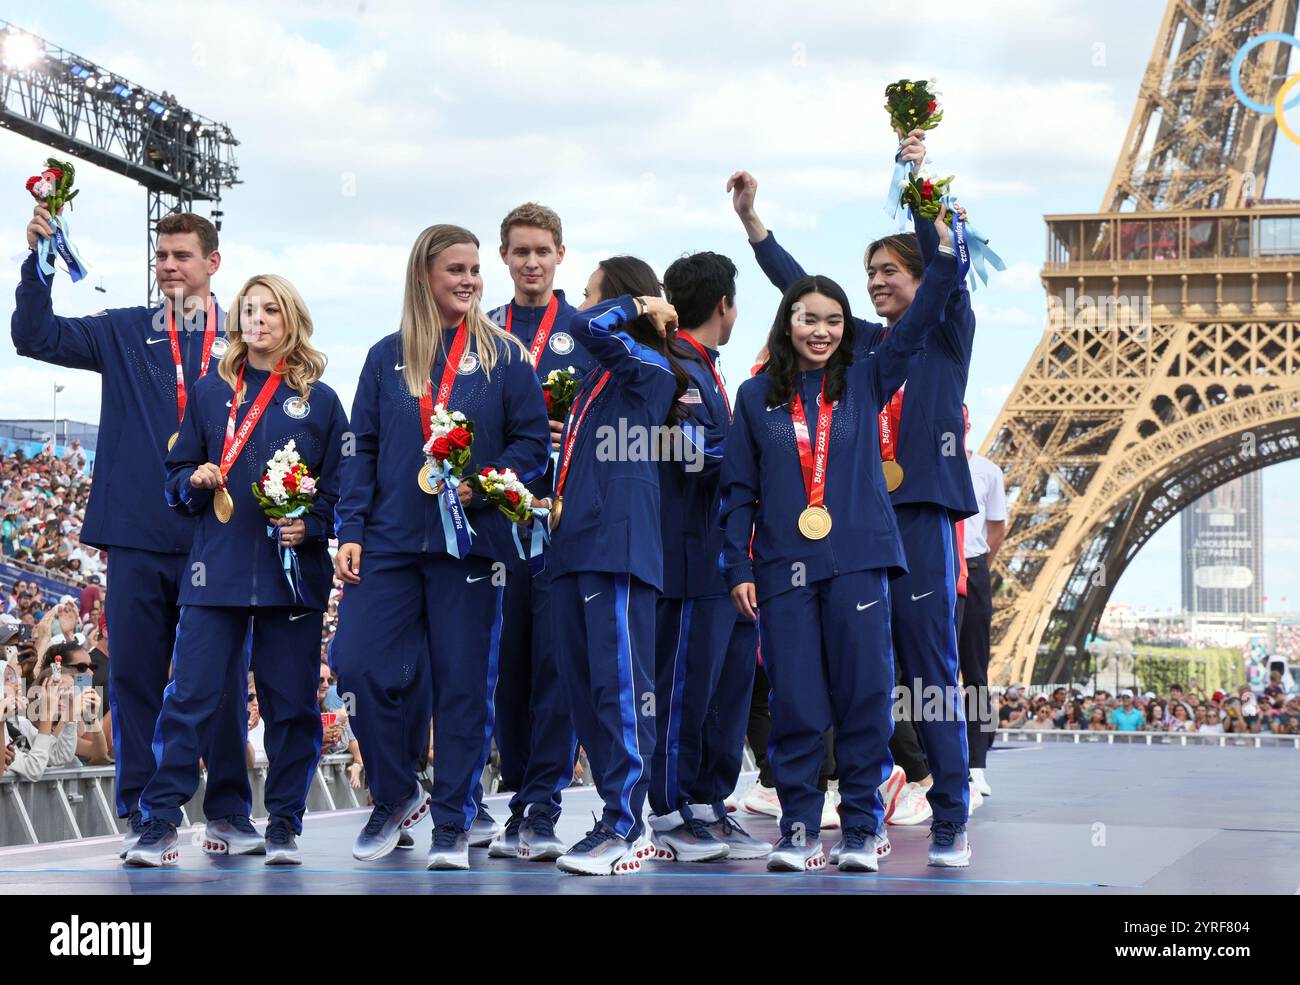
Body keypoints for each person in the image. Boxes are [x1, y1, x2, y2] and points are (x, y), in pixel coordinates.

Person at [729, 152, 979, 867]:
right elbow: (798, 293)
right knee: (843, 679)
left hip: (919, 519)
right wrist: (755, 226)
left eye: (888, 272)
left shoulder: (943, 328)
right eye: (868, 275)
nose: (876, 284)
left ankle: (950, 819)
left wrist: (921, 182)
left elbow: (946, 270)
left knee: (931, 676)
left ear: (919, 277)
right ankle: (828, 815)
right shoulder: (863, 346)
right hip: (850, 531)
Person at [12, 207, 252, 856]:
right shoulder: (124, 331)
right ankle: (150, 817)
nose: (169, 265)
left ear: (212, 263)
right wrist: (39, 264)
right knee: (138, 681)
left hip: (219, 539)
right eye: (162, 255)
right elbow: (34, 336)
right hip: (140, 538)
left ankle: (230, 810)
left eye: (182, 255)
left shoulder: (248, 340)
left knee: (225, 680)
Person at [332, 224, 549, 870]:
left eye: (476, 269)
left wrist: (479, 485)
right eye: (456, 268)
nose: (470, 279)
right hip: (391, 543)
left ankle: (452, 820)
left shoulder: (506, 357)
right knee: (357, 664)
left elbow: (532, 447)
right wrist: (349, 527)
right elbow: (360, 448)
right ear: (425, 274)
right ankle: (396, 795)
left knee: (462, 686)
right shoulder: (384, 357)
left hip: (472, 549)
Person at [126, 275, 346, 867]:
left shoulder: (321, 401)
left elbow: (344, 489)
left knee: (290, 705)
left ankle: (284, 826)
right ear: (236, 320)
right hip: (214, 573)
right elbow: (173, 480)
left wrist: (315, 525)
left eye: (270, 309)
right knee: (189, 698)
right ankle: (159, 824)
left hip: (291, 577)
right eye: (248, 310)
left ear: (291, 318)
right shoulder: (206, 392)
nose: (258, 319)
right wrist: (193, 482)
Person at [545, 256, 688, 875]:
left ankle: (627, 822)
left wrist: (639, 306)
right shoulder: (598, 380)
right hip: (574, 546)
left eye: (593, 291)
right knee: (584, 690)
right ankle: (612, 813)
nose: (581, 300)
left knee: (623, 690)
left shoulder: (649, 368)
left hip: (619, 548)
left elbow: (585, 324)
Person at [484, 203, 595, 860]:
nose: (531, 262)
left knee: (555, 668)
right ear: (505, 256)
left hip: (563, 522)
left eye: (542, 251)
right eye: (520, 251)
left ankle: (543, 805)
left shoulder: (584, 332)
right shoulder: (481, 332)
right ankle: (518, 790)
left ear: (560, 254)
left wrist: (569, 426)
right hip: (496, 526)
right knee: (505, 670)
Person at [958, 405, 1006, 796]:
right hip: (934, 568)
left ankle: (976, 763)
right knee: (928, 670)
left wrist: (975, 563)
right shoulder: (921, 464)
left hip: (970, 568)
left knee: (975, 671)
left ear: (967, 424)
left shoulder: (988, 472)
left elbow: (997, 527)